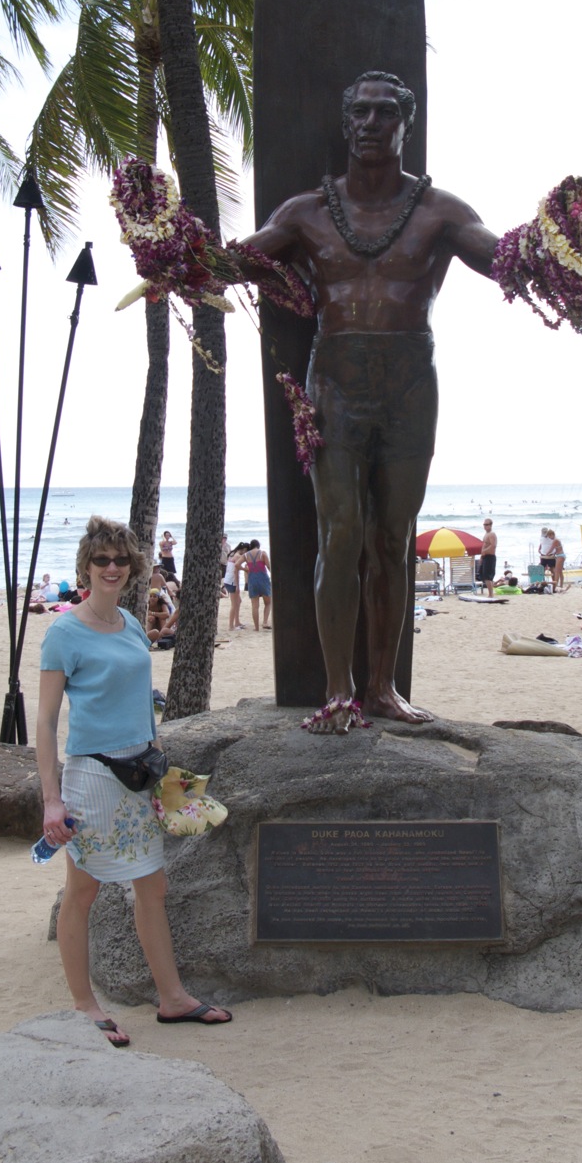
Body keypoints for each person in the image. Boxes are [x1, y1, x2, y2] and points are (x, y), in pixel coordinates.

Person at [239, 71, 498, 727]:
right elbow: (240, 262)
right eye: (360, 112)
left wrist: (558, 247)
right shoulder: (306, 213)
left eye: (386, 112)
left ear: (406, 124)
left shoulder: (441, 211)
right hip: (336, 382)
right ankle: (336, 690)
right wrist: (174, 249)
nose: (372, 123)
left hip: (411, 383)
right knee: (342, 534)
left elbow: (500, 257)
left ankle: (380, 688)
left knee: (391, 538)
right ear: (346, 122)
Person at [36, 515, 229, 1042]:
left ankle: (173, 999)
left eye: (121, 559)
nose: (112, 567)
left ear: (133, 566)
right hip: (93, 776)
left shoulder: (132, 624)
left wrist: (162, 765)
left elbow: (142, 701)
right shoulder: (63, 633)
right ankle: (83, 1005)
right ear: (86, 566)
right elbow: (47, 723)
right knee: (82, 891)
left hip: (142, 770)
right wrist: (51, 801)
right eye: (102, 560)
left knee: (154, 886)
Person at [244, 540, 272, 632]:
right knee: (268, 603)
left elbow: (236, 565)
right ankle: (265, 622)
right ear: (258, 546)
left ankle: (256, 628)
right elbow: (268, 566)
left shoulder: (247, 555)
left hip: (252, 580)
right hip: (263, 579)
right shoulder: (262, 553)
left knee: (255, 605)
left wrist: (246, 569)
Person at [223, 542, 248, 631]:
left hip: (228, 580)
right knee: (234, 604)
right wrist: (237, 585)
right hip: (232, 581)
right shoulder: (238, 556)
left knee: (238, 601)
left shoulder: (232, 553)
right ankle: (231, 626)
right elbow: (235, 572)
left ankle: (237, 622)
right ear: (244, 550)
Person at [479, 519, 497, 595]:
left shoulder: (492, 534)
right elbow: (484, 545)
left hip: (490, 556)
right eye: (484, 525)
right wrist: (481, 556)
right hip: (485, 556)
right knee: (484, 576)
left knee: (488, 577)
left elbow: (493, 546)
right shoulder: (486, 534)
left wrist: (484, 551)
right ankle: (490, 594)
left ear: (490, 525)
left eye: (486, 525)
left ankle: (491, 594)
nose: (485, 526)